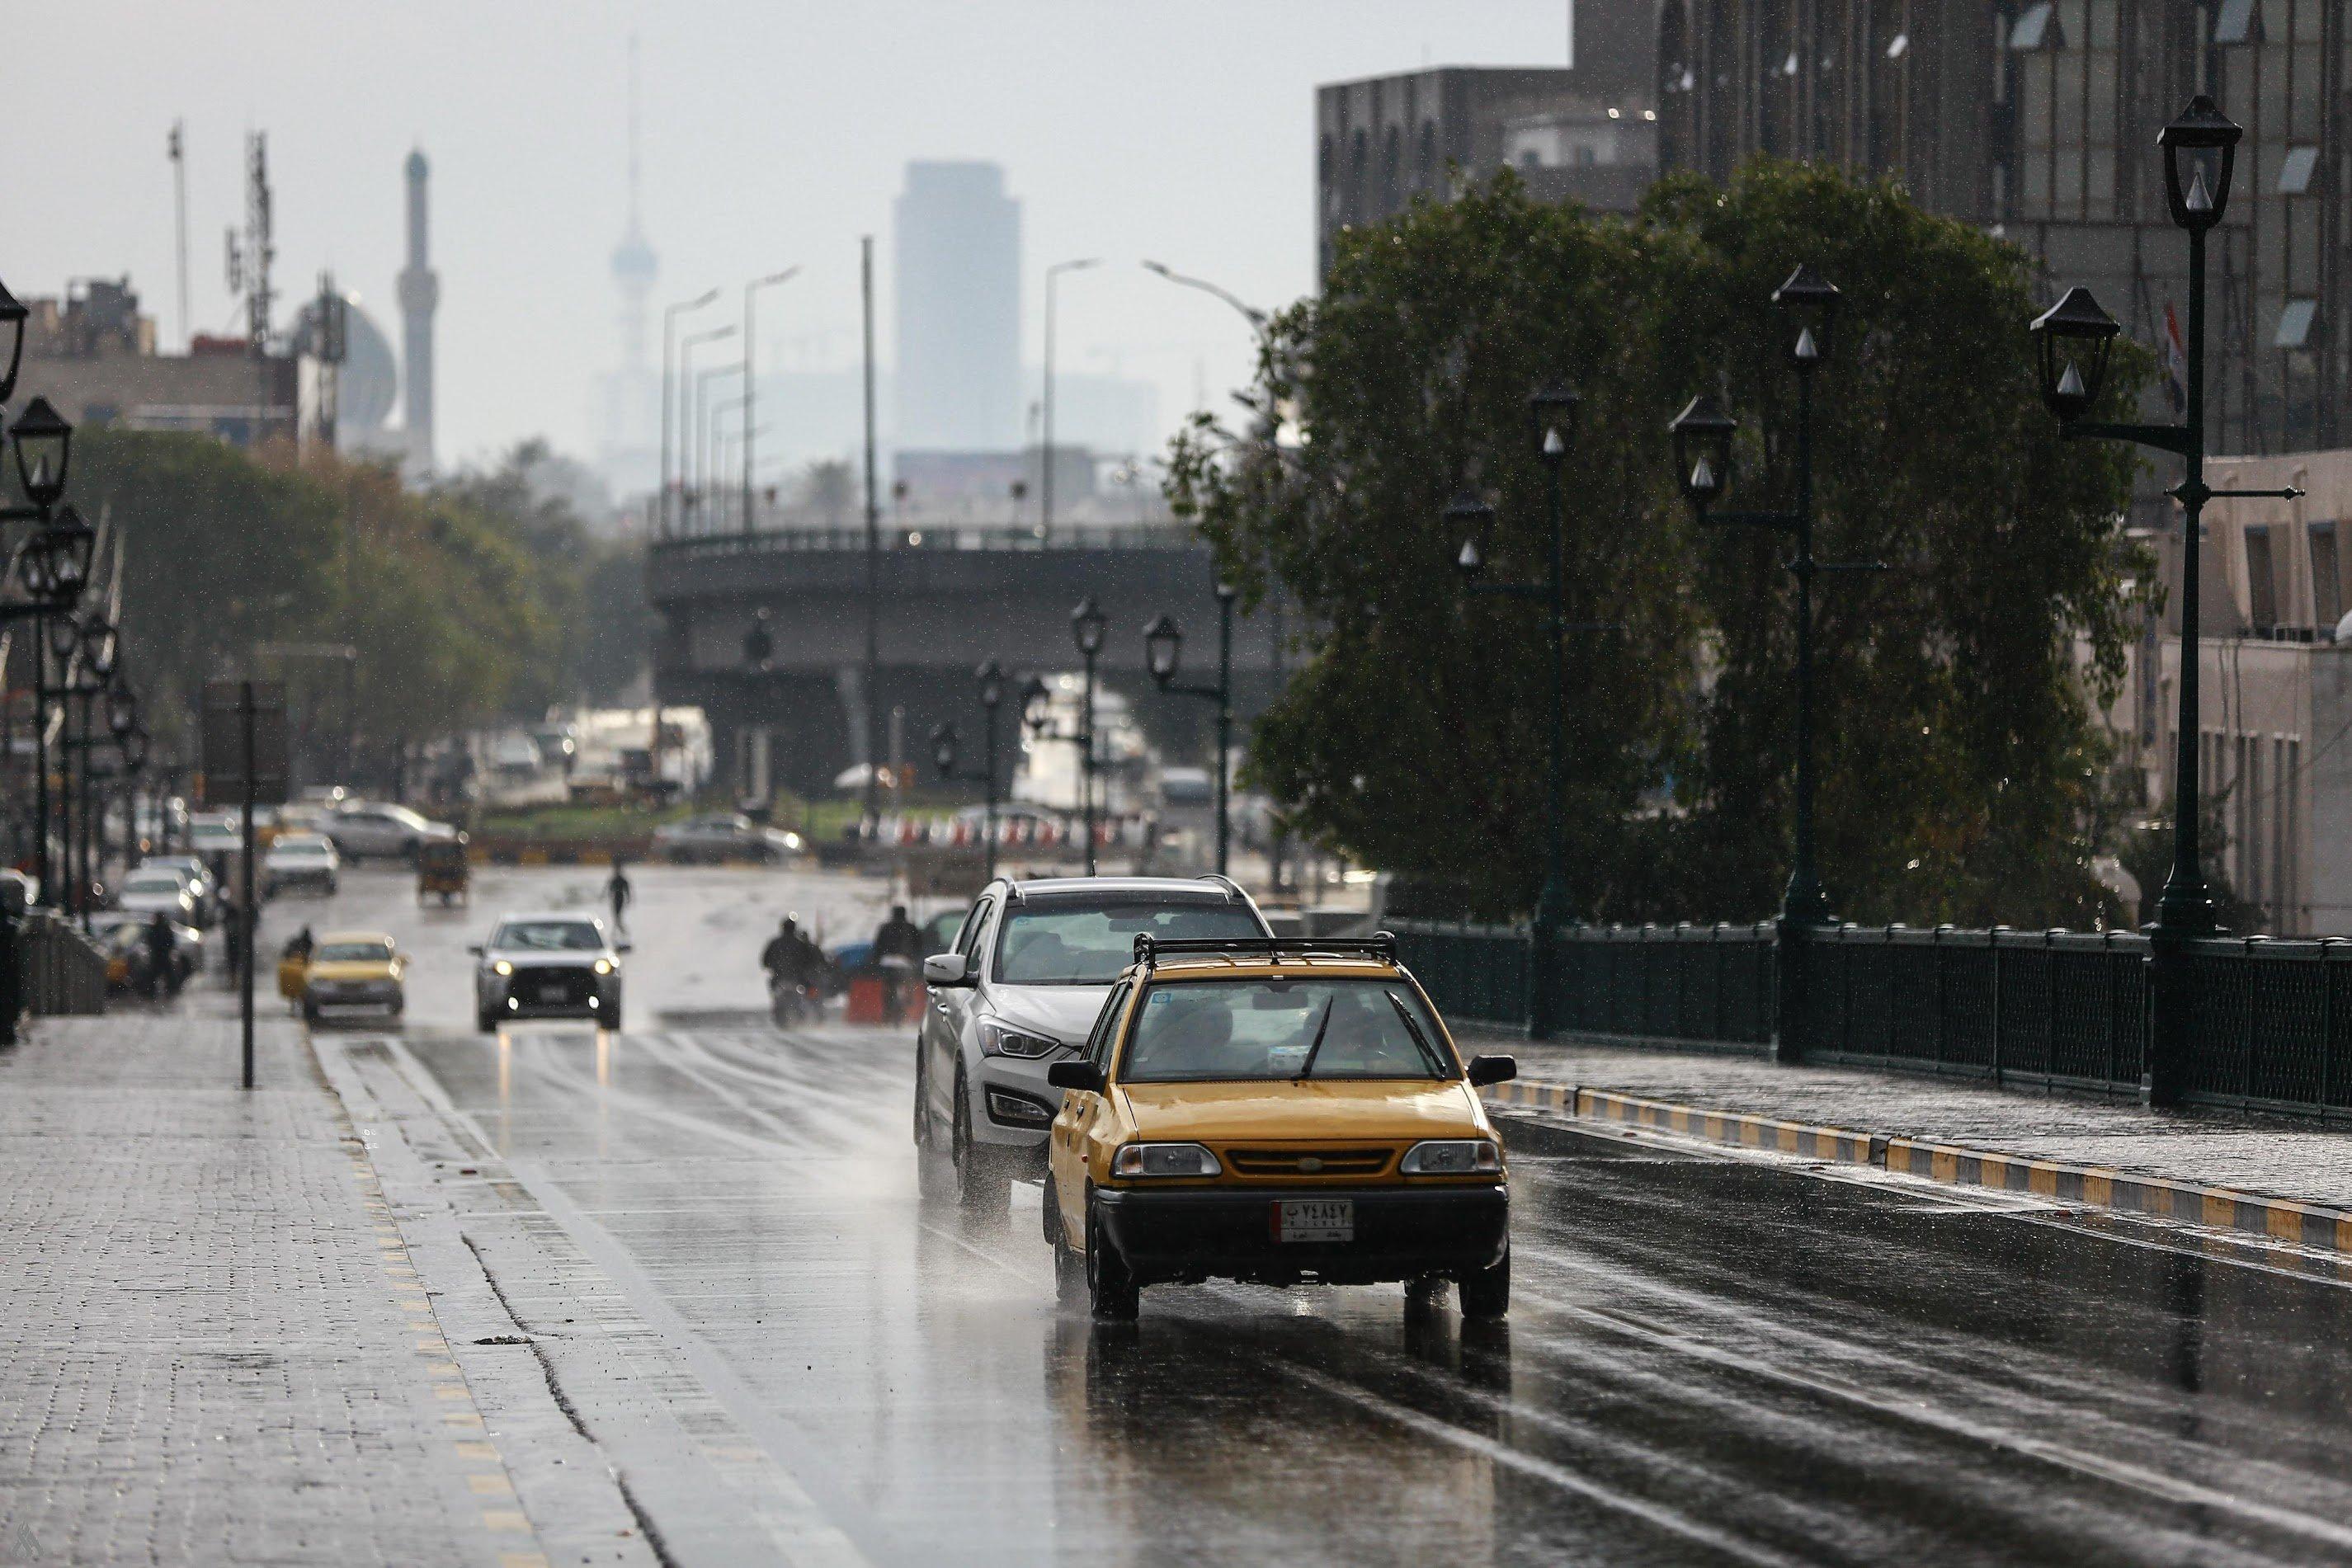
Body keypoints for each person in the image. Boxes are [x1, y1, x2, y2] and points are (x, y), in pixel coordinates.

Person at [873, 903, 924, 1016]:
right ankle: (909, 999)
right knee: (909, 979)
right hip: (905, 962)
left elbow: (877, 946)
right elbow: (919, 946)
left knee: (888, 985)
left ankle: (887, 1008)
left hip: (887, 961)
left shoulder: (885, 928)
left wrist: (876, 960)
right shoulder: (911, 927)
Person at [143, 910, 178, 998]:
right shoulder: (156, 928)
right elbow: (150, 940)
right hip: (158, 955)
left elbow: (170, 941)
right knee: (154, 975)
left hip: (162, 955)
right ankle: (152, 992)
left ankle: (170, 990)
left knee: (165, 974)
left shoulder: (163, 928)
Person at [605, 855, 632, 934]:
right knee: (616, 916)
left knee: (617, 917)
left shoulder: (620, 879)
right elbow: (609, 888)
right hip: (616, 898)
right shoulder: (616, 879)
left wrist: (629, 899)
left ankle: (620, 931)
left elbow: (627, 890)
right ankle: (619, 931)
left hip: (619, 898)